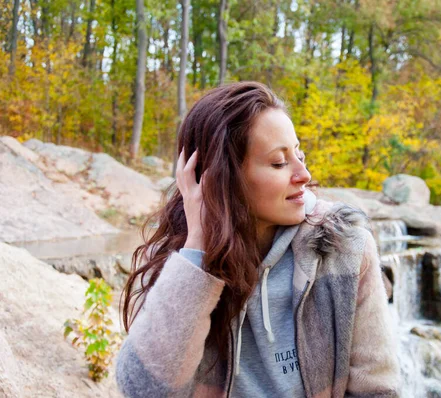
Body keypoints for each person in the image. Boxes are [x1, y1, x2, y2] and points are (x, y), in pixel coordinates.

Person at [116, 81, 400, 397]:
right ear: (222, 179)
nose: (304, 175)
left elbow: (377, 390)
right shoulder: (175, 263)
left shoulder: (345, 249)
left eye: (299, 154)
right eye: (279, 162)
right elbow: (143, 390)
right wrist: (198, 248)